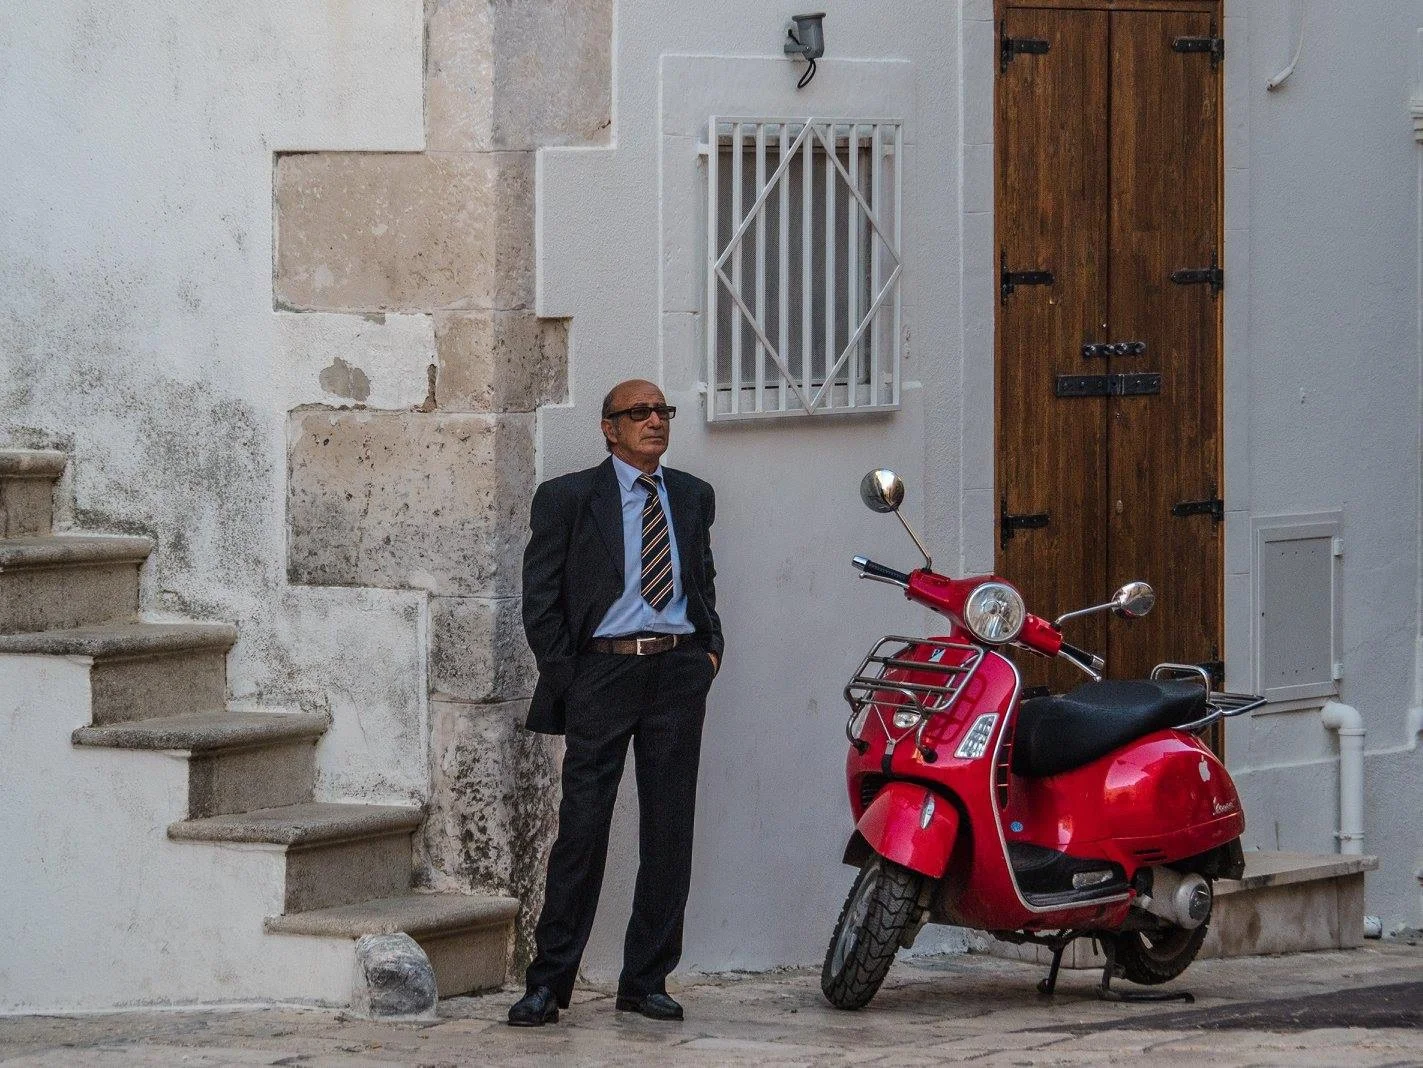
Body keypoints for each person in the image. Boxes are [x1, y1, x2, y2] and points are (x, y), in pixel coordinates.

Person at [508, 379, 723, 1026]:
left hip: (677, 672)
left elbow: (702, 579)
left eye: (662, 411)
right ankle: (548, 983)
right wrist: (568, 676)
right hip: (601, 674)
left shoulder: (691, 496)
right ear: (609, 428)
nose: (655, 421)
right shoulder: (569, 498)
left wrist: (709, 652)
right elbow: (540, 598)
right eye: (639, 412)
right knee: (582, 829)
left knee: (669, 831)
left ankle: (645, 980)